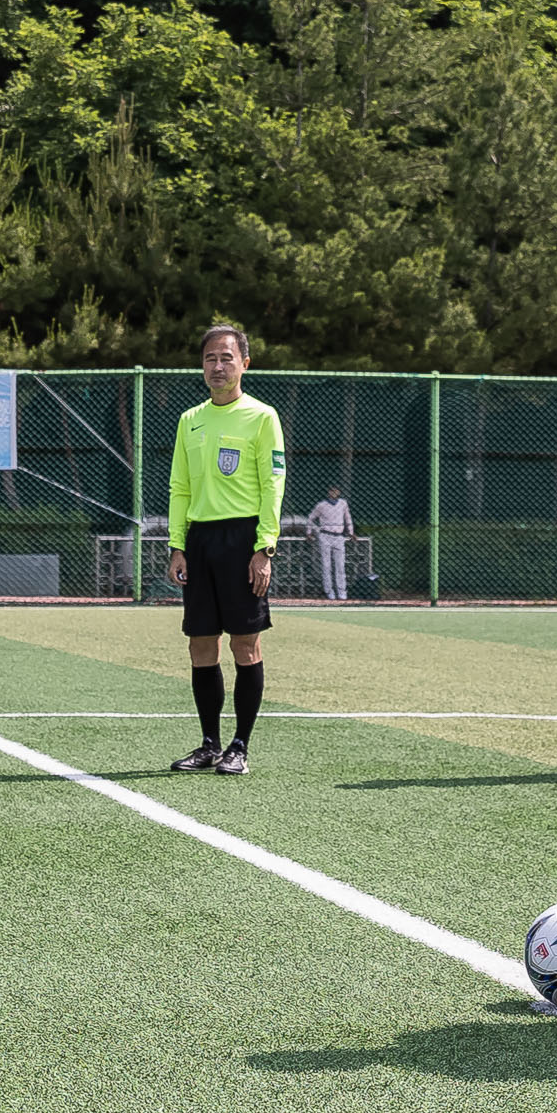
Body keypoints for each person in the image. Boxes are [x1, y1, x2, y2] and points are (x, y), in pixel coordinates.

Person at [166, 323, 285, 775]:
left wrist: (264, 548)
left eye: (227, 358)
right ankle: (209, 743)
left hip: (243, 542)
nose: (218, 366)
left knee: (245, 644)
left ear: (245, 365)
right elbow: (179, 487)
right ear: (202, 366)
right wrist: (178, 546)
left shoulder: (262, 417)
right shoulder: (189, 420)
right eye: (210, 359)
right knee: (201, 645)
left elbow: (274, 484)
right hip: (199, 542)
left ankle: (240, 746)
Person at [308, 487, 353, 600]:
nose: (334, 492)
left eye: (336, 490)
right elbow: (311, 518)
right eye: (331, 490)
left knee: (340, 566)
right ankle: (329, 591)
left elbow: (348, 518)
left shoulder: (343, 503)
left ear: (339, 492)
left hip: (339, 536)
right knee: (326, 565)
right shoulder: (321, 505)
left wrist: (351, 532)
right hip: (325, 535)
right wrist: (309, 532)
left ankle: (342, 592)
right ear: (328, 492)